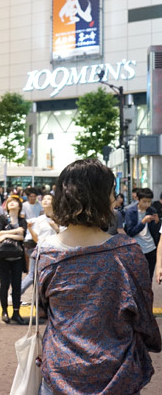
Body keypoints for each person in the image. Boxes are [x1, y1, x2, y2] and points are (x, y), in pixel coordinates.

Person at [37, 159, 161, 394]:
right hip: (117, 374)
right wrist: (152, 343)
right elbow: (143, 317)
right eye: (111, 193)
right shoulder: (127, 252)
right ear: (100, 198)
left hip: (58, 372)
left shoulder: (46, 253)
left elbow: (45, 310)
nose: (115, 200)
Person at [0, 195, 26, 324]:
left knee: (17, 286)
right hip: (3, 257)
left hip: (17, 257)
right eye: (9, 202)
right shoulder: (2, 218)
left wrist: (5, 234)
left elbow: (22, 236)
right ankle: (4, 311)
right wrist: (16, 232)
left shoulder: (22, 220)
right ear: (6, 206)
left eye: (14, 202)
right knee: (4, 285)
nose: (12, 204)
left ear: (19, 206)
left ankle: (16, 313)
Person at [20, 194, 58, 298]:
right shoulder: (39, 219)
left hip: (55, 252)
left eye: (49, 199)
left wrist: (55, 227)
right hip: (41, 250)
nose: (45, 201)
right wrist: (30, 229)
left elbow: (62, 235)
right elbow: (36, 238)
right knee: (33, 275)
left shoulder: (60, 218)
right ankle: (17, 294)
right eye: (44, 199)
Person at [124, 187, 161, 280]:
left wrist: (157, 222)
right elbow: (130, 232)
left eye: (149, 201)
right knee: (137, 278)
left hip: (151, 248)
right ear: (138, 199)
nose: (147, 204)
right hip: (136, 249)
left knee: (149, 278)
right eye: (144, 201)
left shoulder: (152, 210)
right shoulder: (130, 211)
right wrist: (143, 222)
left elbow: (155, 232)